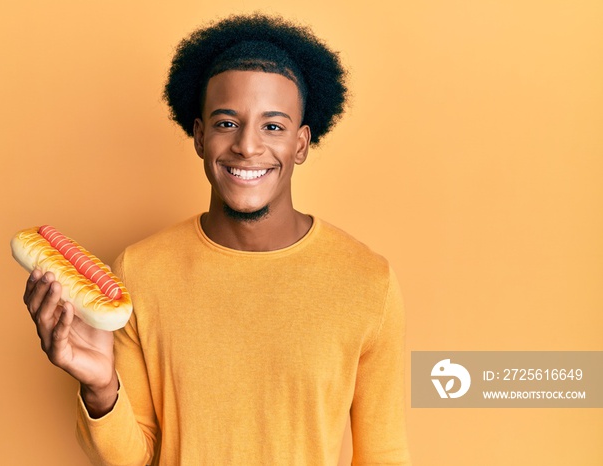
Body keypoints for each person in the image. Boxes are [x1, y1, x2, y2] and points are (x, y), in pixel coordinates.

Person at [23, 14, 410, 465]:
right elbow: (135, 458)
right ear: (200, 136)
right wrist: (99, 387)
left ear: (301, 144)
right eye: (227, 123)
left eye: (273, 126)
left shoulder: (368, 282)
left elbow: (383, 454)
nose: (248, 146)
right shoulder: (140, 271)